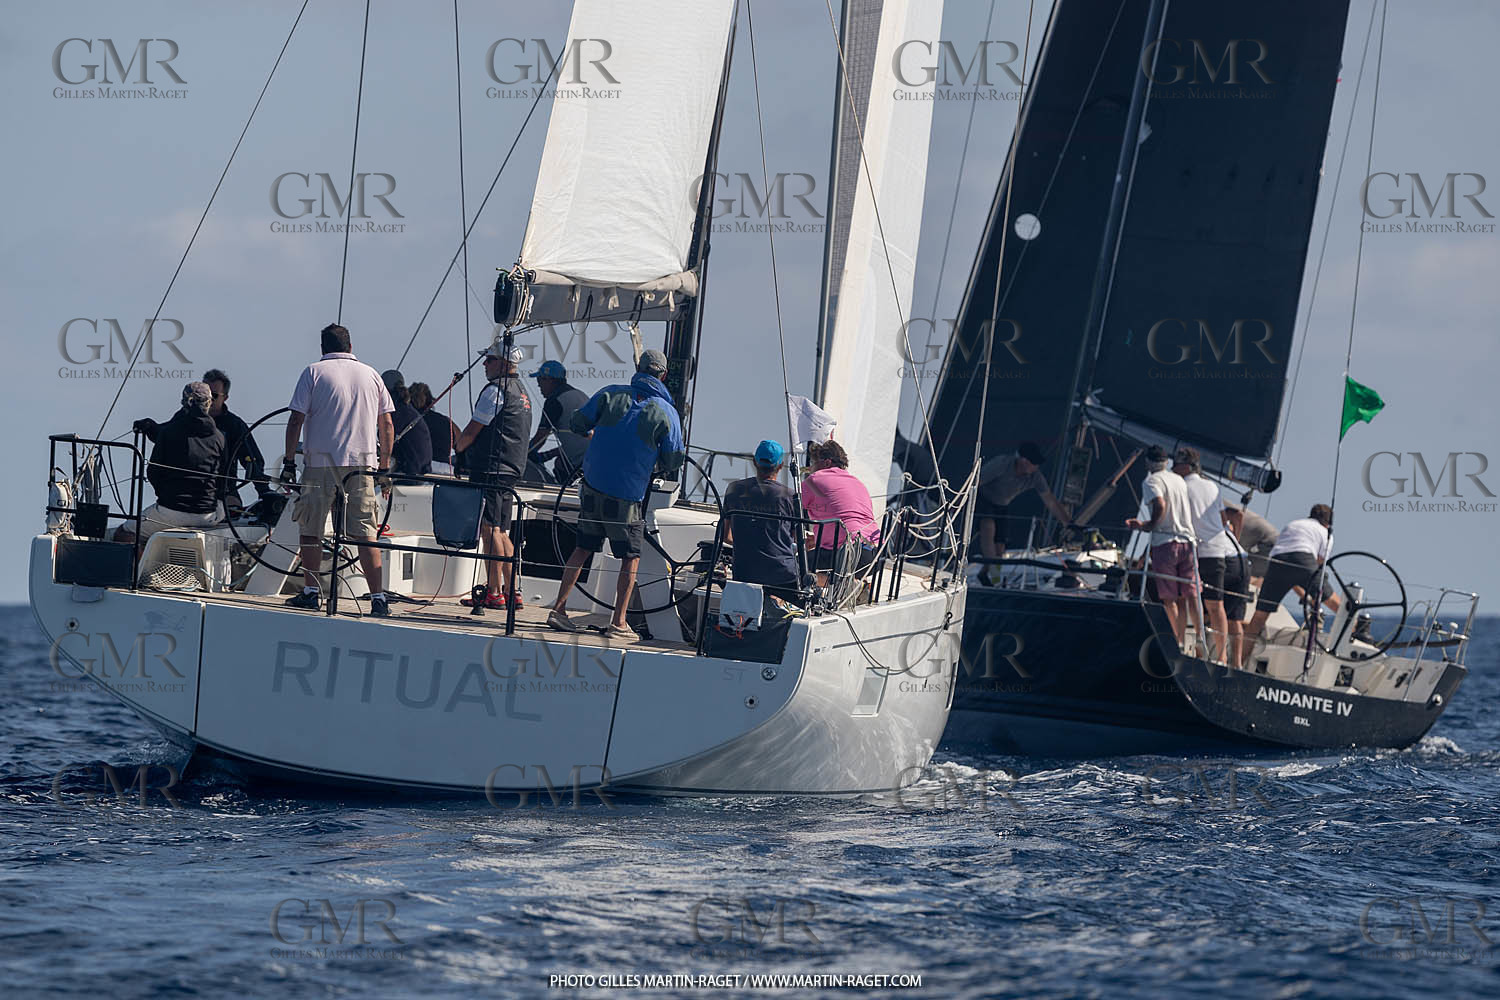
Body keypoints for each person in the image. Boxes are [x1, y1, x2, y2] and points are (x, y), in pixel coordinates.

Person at [547, 349, 684, 637]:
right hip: (628, 495)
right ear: (663, 376)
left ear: (638, 368)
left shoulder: (609, 393)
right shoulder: (667, 412)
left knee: (582, 548)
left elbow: (578, 424)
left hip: (593, 486)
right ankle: (619, 623)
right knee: (630, 557)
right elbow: (673, 460)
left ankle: (558, 610)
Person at [280, 323, 395, 617]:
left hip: (319, 464)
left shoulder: (313, 372)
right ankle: (378, 599)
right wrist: (384, 468)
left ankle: (310, 592)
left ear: (322, 348)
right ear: (351, 347)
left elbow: (295, 420)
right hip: (362, 464)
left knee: (311, 530)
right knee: (366, 533)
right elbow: (387, 425)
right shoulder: (372, 375)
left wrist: (289, 462)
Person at [454, 345, 533, 609]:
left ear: (502, 362)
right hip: (510, 469)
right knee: (502, 531)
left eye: (489, 360)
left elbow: (474, 429)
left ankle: (495, 592)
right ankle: (512, 591)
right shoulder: (522, 392)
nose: (484, 365)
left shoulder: (495, 391)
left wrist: (458, 449)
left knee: (490, 531)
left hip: (491, 468)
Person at [1240, 504, 1339, 666]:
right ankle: (1352, 629)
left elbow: (1289, 564)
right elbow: (1318, 564)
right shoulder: (1326, 533)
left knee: (1258, 619)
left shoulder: (1293, 524)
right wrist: (1314, 598)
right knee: (1338, 606)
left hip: (1277, 562)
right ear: (1328, 523)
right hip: (1304, 559)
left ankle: (1237, 663)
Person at [126, 381, 227, 541]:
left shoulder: (169, 432)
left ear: (184, 402)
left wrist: (166, 497)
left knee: (124, 534)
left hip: (172, 510)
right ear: (209, 403)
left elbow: (153, 472)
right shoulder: (219, 438)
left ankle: (148, 563)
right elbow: (224, 478)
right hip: (209, 514)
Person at [1126, 444, 1203, 651]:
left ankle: (1176, 643)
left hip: (1165, 544)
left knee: (1169, 599)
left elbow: (1160, 506)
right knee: (1190, 595)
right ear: (1167, 462)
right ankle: (1197, 640)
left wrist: (1146, 526)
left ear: (1148, 463)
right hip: (1188, 543)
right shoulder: (1178, 479)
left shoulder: (1151, 481)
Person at [1174, 447, 1244, 664]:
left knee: (1186, 600)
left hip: (1196, 552)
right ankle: (1221, 658)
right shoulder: (1212, 486)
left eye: (1175, 465)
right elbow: (1224, 519)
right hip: (1218, 551)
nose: (1172, 469)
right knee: (1216, 606)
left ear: (1185, 466)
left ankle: (1188, 648)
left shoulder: (1180, 486)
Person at [720, 439, 803, 604]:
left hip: (744, 573)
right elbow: (796, 539)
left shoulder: (733, 489)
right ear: (780, 466)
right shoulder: (791, 496)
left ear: (754, 462)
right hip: (782, 576)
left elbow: (725, 536)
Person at [975, 442, 1072, 583]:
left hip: (1002, 506)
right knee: (988, 527)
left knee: (1000, 547)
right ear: (1023, 460)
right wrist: (958, 502)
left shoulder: (1035, 477)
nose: (1036, 467)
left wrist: (1067, 522)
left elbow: (1049, 500)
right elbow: (975, 481)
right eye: (1034, 463)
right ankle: (993, 576)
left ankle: (985, 575)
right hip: (983, 500)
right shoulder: (1002, 464)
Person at [802, 439, 881, 584]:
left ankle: (844, 585)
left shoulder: (815, 479)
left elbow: (790, 510)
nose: (810, 468)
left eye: (813, 463)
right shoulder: (858, 483)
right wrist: (820, 538)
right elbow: (848, 516)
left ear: (826, 463)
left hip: (846, 553)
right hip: (873, 555)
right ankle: (855, 584)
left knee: (795, 566)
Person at [202, 368, 274, 511]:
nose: (208, 400)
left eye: (214, 396)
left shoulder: (234, 425)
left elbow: (253, 459)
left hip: (224, 491)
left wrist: (264, 491)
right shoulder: (184, 419)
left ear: (225, 398)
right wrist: (150, 427)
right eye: (204, 395)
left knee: (233, 509)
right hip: (189, 491)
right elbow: (165, 434)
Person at [528, 359, 592, 483]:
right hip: (594, 455)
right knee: (559, 461)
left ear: (549, 380)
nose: (538, 386)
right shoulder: (580, 395)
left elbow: (540, 438)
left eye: (540, 380)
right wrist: (547, 455)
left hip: (579, 463)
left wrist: (523, 454)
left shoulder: (554, 401)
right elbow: (577, 439)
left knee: (560, 467)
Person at [381, 369, 433, 480]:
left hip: (411, 474)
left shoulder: (396, 412)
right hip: (420, 470)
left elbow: (384, 438)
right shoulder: (406, 409)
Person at [1223, 498, 1279, 590]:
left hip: (1264, 542)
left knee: (1247, 575)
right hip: (1266, 541)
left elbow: (1238, 516)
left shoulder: (1212, 505)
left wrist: (1234, 545)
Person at [410, 381, 459, 472]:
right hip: (445, 470)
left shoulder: (408, 422)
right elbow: (461, 444)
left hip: (418, 469)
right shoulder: (446, 421)